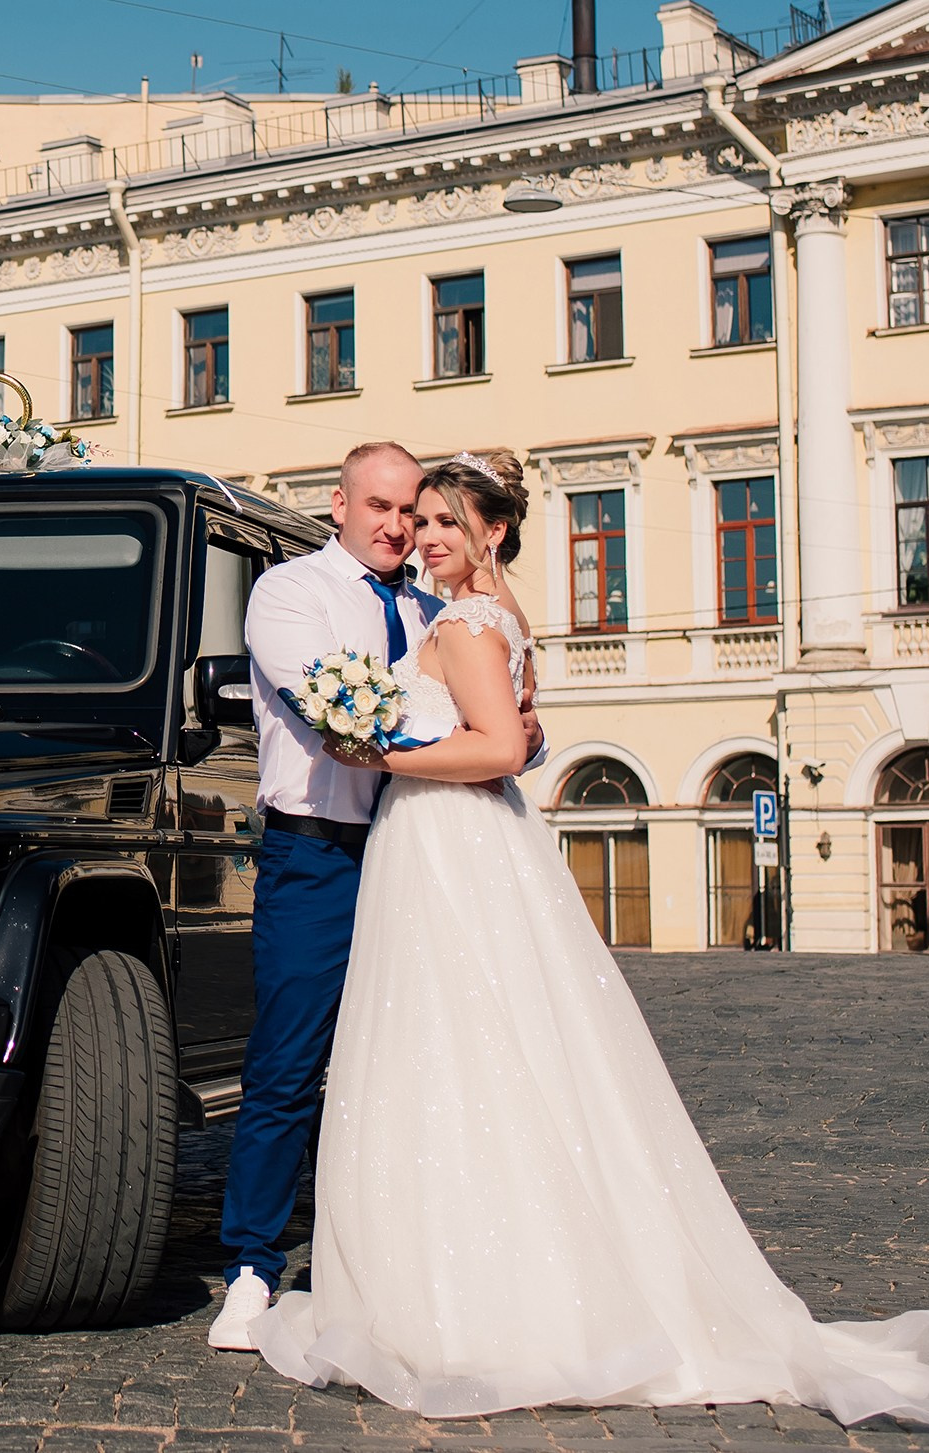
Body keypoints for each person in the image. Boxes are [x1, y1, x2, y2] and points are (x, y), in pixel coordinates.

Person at [246, 450, 929, 1432]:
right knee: (437, 1048)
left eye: (440, 519)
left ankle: (463, 1282)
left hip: (438, 837)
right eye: (409, 515)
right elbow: (509, 726)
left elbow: (500, 740)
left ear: (489, 532)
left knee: (457, 1045)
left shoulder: (450, 615)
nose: (419, 533)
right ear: (344, 505)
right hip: (403, 844)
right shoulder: (362, 599)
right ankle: (318, 1257)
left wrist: (383, 744)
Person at [207, 440, 538, 1350]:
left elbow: (493, 717)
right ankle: (251, 1267)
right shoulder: (290, 594)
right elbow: (332, 709)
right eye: (384, 507)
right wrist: (490, 737)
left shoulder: (439, 603)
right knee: (289, 1062)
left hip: (423, 851)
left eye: (416, 512)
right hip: (318, 853)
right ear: (340, 501)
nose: (400, 526)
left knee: (416, 1060)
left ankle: (404, 1257)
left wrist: (516, 733)